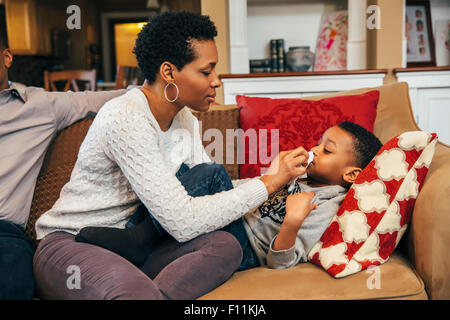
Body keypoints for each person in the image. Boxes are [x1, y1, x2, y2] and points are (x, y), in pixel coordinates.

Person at [33, 11, 305, 300]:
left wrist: (273, 179)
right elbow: (182, 221)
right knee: (133, 291)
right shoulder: (125, 117)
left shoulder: (185, 119)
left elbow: (209, 191)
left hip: (140, 244)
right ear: (169, 72)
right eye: (206, 71)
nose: (217, 81)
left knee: (226, 245)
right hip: (75, 242)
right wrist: (268, 184)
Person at [79, 121, 382, 271]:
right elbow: (252, 194)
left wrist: (292, 222)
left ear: (352, 174)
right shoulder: (299, 176)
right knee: (188, 169)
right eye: (318, 143)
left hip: (246, 246)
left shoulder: (328, 206)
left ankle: (138, 239)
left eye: (326, 150)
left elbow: (282, 263)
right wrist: (274, 175)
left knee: (211, 173)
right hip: (235, 219)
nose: (315, 150)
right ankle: (134, 235)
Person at [0, 27, 127, 299]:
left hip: (4, 236)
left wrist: (164, 87)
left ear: (7, 57)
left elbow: (107, 99)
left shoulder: (40, 106)